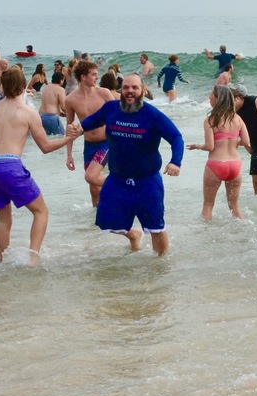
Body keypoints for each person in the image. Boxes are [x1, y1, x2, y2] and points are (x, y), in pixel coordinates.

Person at [0, 66, 81, 263]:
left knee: (3, 220)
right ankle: (33, 257)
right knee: (41, 211)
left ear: (3, 86)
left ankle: (2, 262)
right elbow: (45, 146)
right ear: (22, 86)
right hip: (10, 166)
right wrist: (70, 138)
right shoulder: (28, 112)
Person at [79, 74, 184, 255]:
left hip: (147, 181)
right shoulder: (110, 109)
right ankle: (134, 235)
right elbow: (91, 122)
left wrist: (175, 162)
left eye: (134, 88)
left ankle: (161, 265)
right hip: (117, 180)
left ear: (143, 90)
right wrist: (78, 128)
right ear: (121, 90)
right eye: (126, 87)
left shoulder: (152, 115)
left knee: (155, 228)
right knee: (105, 221)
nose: (130, 91)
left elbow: (176, 137)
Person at [187, 85, 251, 221]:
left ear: (218, 98)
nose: (209, 98)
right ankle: (243, 231)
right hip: (235, 165)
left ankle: (205, 236)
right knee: (234, 206)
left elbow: (210, 146)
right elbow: (246, 141)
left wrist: (197, 146)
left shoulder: (211, 120)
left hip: (216, 165)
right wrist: (232, 142)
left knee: (208, 205)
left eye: (211, 95)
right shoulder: (238, 119)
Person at [64, 59, 117, 207]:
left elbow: (118, 118)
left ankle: (124, 187)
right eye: (93, 74)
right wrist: (69, 154)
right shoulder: (70, 100)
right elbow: (69, 129)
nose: (97, 77)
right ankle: (97, 219)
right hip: (89, 145)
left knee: (91, 176)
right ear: (83, 77)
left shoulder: (104, 93)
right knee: (93, 187)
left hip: (107, 143)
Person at [38, 72, 66, 136]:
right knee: (62, 137)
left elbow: (51, 102)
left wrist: (59, 113)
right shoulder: (60, 89)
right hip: (51, 117)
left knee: (48, 138)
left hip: (41, 116)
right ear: (61, 80)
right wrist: (69, 114)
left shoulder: (46, 88)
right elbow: (63, 107)